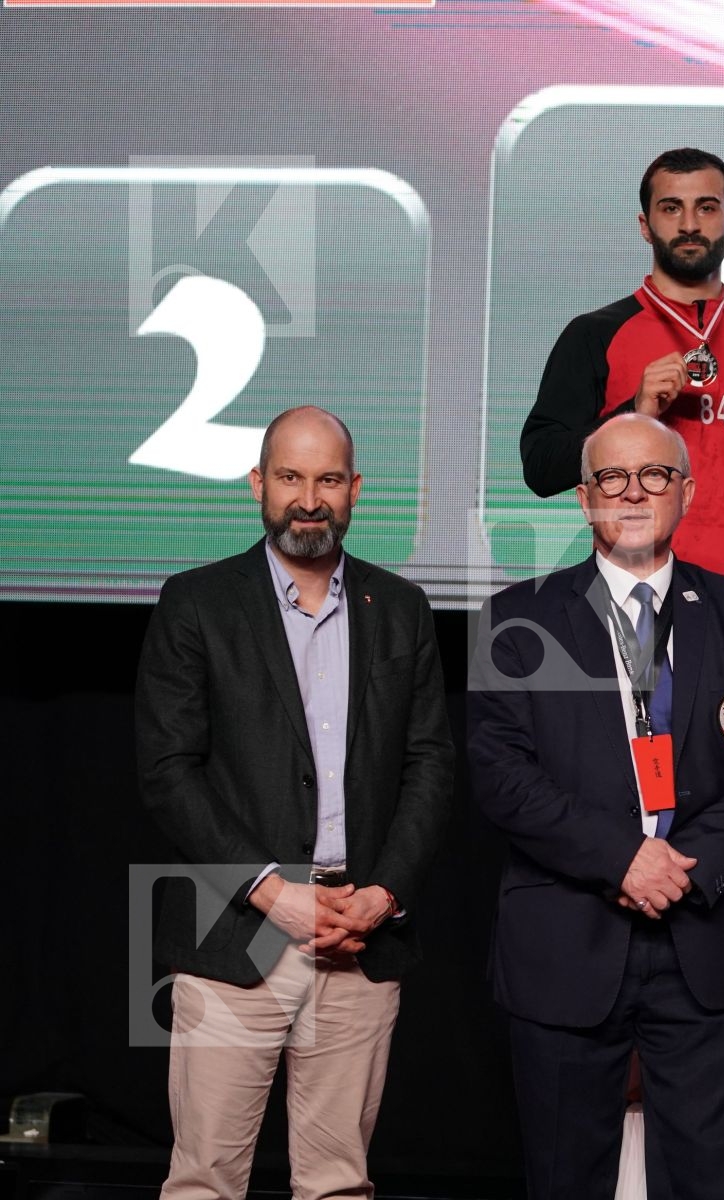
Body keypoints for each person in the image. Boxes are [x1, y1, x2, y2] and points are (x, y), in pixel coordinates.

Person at [468, 413, 724, 1200]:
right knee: (563, 1183)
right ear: (584, 499)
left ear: (685, 492)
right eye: (611, 479)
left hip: (707, 942)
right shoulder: (515, 620)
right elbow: (501, 775)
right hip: (566, 942)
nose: (632, 493)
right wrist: (621, 857)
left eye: (653, 475)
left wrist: (681, 871)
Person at [136, 406, 456, 1200]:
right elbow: (168, 772)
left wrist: (382, 897)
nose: (307, 498)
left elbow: (431, 764)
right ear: (257, 485)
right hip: (234, 935)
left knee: (340, 1185)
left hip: (360, 935)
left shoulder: (403, 609)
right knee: (204, 1181)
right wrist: (273, 893)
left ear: (354, 490)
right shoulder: (197, 602)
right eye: (290, 477)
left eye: (326, 479)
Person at [520, 147, 724, 600]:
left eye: (707, 208)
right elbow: (539, 467)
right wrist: (632, 412)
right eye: (671, 207)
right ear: (644, 225)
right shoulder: (596, 334)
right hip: (634, 602)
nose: (689, 224)